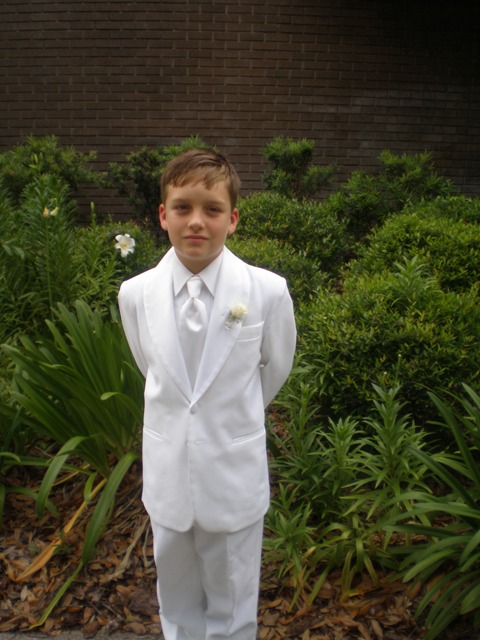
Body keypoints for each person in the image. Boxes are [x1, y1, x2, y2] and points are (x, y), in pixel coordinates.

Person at [118, 148, 296, 640]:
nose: (196, 221)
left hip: (233, 472)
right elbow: (151, 367)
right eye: (183, 207)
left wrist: (234, 414)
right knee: (174, 597)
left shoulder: (267, 291)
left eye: (212, 209)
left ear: (232, 219)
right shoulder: (135, 294)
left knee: (233, 600)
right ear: (163, 215)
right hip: (169, 475)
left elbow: (275, 367)